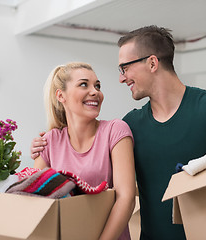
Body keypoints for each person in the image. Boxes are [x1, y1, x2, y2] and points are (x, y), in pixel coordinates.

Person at [31, 26, 206, 239]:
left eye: (125, 68)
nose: (121, 78)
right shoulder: (130, 125)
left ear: (152, 63)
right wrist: (46, 144)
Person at [33, 62, 136, 240]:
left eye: (97, 86)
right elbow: (35, 202)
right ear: (61, 95)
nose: (95, 91)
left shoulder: (116, 130)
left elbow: (126, 199)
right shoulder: (49, 141)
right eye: (83, 84)